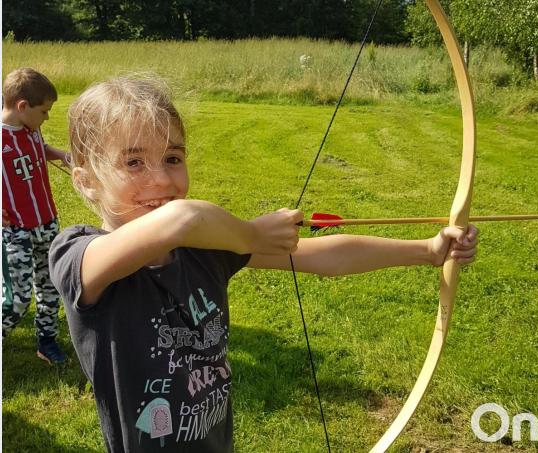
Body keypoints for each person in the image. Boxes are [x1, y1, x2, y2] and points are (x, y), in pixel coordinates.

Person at [48, 75, 479, 452]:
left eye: (173, 158)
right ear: (86, 181)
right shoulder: (79, 256)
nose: (161, 179)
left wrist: (427, 250)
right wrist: (251, 235)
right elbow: (183, 218)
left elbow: (325, 256)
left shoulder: (202, 249)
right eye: (134, 162)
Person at [2, 67, 72, 364]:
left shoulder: (31, 129)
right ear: (22, 106)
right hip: (15, 231)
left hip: (47, 222)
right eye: (44, 111)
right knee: (17, 299)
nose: (47, 117)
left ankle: (47, 340)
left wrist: (62, 155)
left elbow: (40, 149)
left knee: (50, 284)